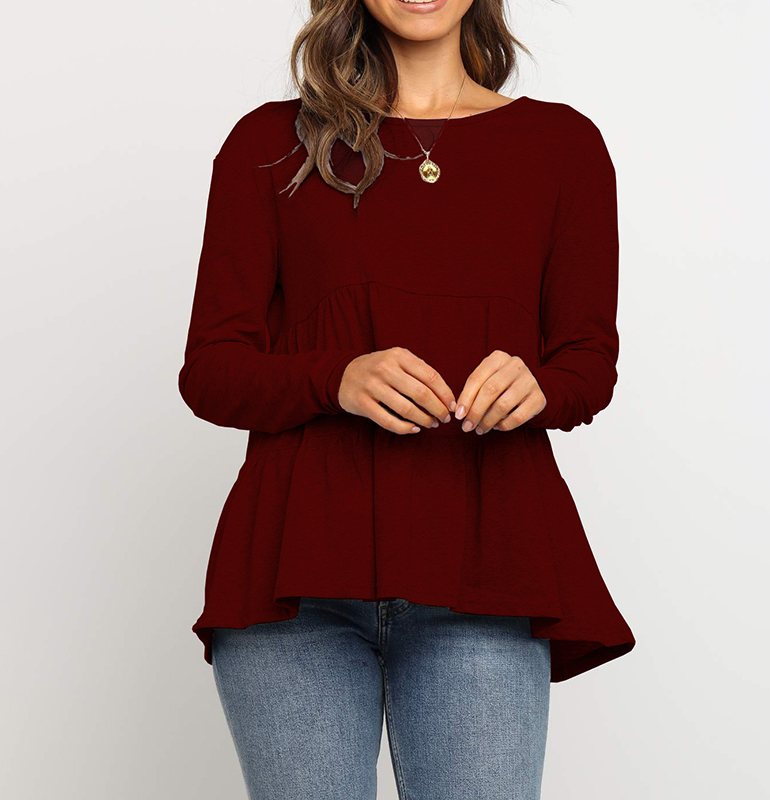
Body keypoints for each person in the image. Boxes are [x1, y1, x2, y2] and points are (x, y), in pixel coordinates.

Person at [177, 1, 636, 797]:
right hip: (297, 582)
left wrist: (540, 387)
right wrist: (335, 379)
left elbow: (588, 361)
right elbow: (211, 371)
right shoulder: (270, 143)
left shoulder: (562, 146)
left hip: (488, 570)